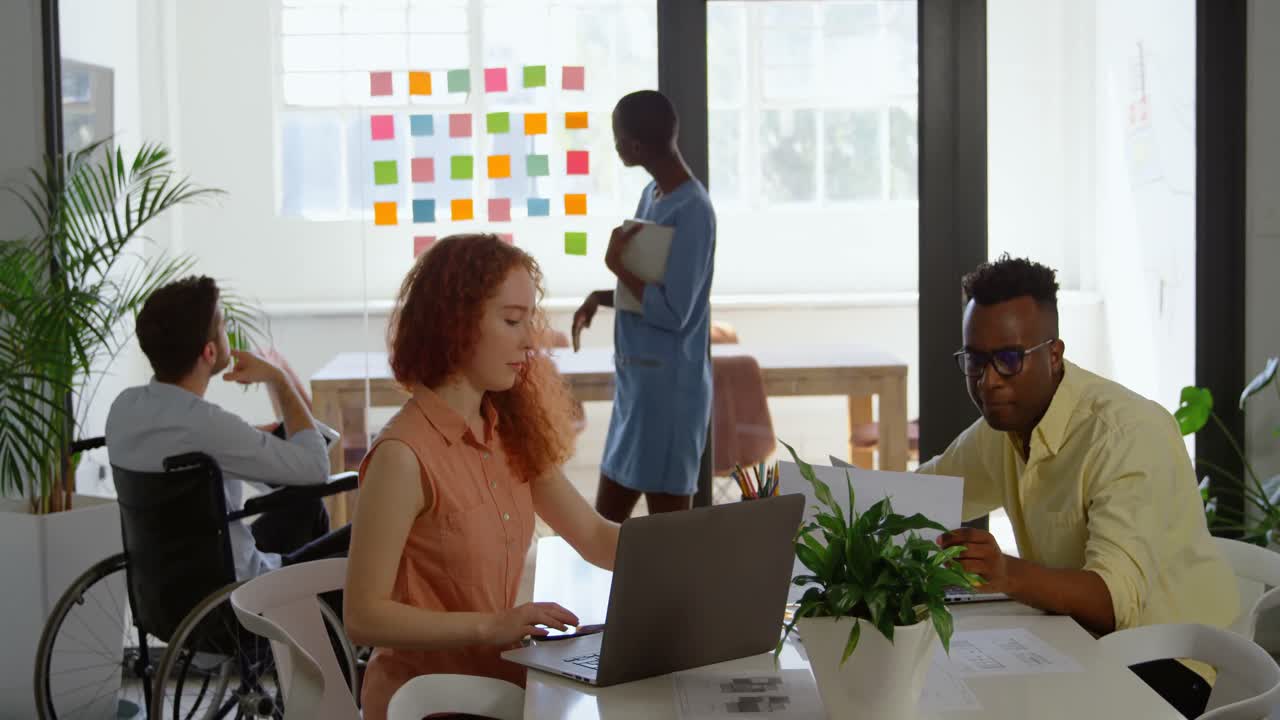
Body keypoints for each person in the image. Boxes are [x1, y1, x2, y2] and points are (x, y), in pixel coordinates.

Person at [919, 255, 1238, 719]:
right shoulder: (1004, 428)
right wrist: (803, 498)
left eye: (1008, 359)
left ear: (1053, 354)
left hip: (1174, 662)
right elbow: (919, 496)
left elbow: (1112, 602)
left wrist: (1005, 573)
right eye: (975, 360)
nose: (987, 381)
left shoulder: (1124, 434)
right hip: (1080, 643)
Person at [343, 234, 621, 720]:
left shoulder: (508, 432)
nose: (530, 340)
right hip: (430, 703)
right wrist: (493, 626)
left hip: (499, 684)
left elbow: (596, 538)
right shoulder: (402, 456)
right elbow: (363, 616)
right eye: (513, 321)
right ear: (457, 324)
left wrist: (701, 552)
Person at [106, 276, 349, 581]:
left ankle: (307, 616)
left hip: (166, 588)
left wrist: (250, 436)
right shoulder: (206, 425)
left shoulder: (123, 409)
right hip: (235, 589)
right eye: (223, 326)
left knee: (306, 508)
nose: (228, 334)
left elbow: (181, 439)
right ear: (209, 352)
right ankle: (309, 613)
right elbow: (315, 468)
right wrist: (279, 380)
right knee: (362, 533)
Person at [571, 89, 716, 522]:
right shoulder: (653, 194)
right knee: (606, 529)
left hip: (670, 396)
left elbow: (675, 312)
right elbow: (646, 282)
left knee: (666, 546)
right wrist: (602, 296)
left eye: (616, 138)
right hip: (637, 390)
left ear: (635, 146)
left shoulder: (694, 210)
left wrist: (615, 265)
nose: (614, 146)